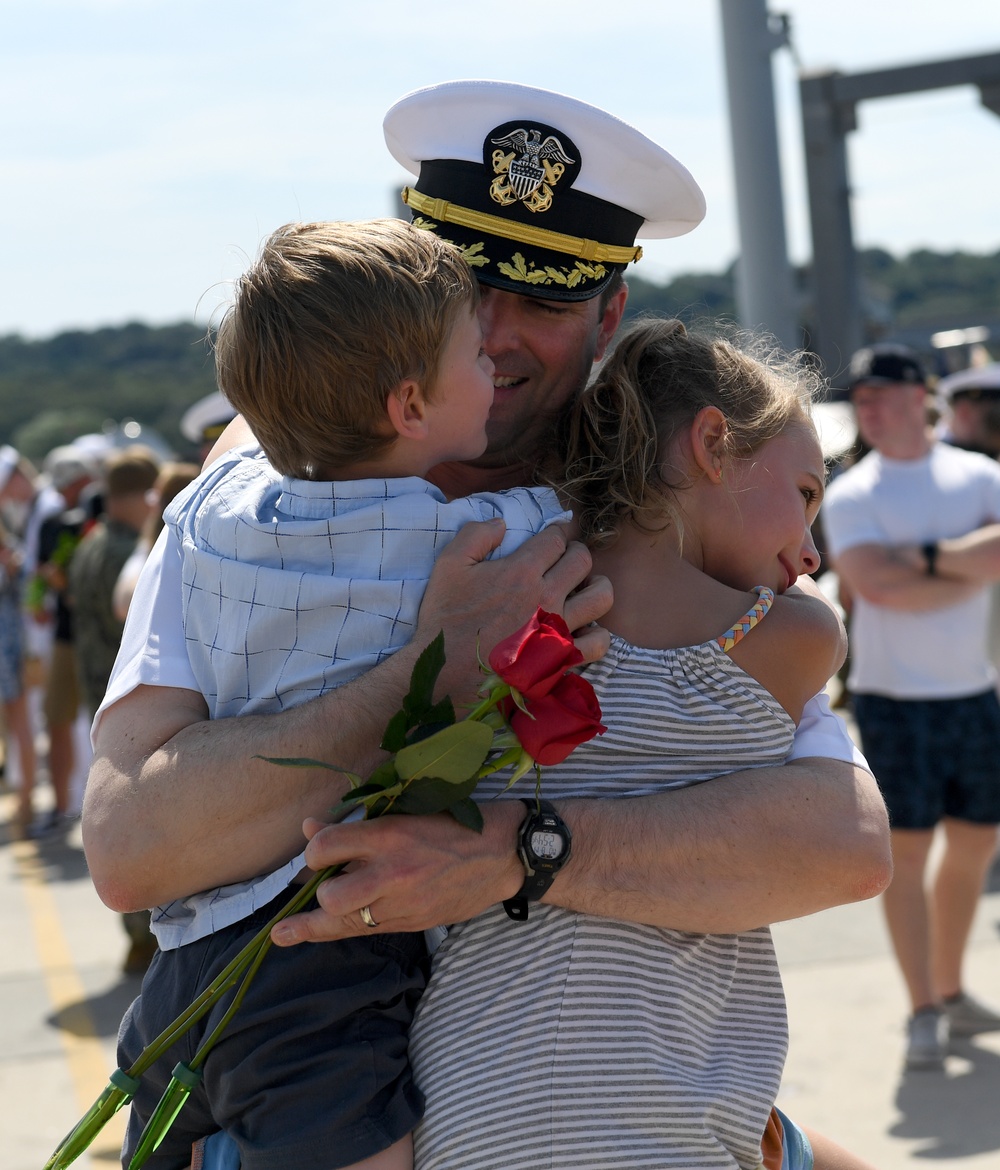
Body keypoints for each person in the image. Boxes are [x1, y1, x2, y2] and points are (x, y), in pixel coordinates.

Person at [84, 82, 889, 1169]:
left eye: (547, 302)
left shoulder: (648, 510)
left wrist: (525, 854)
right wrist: (433, 666)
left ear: (608, 316)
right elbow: (136, 849)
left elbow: (841, 842)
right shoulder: (267, 488)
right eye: (471, 290)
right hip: (286, 1108)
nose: (499, 338)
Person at [117, 217, 571, 1170]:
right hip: (322, 960)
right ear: (409, 404)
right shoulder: (477, 532)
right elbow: (591, 536)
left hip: (189, 959)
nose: (493, 355)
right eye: (471, 352)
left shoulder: (212, 507)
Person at [408, 316, 846, 1169]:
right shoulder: (789, 637)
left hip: (465, 1098)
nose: (813, 552)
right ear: (713, 443)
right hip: (656, 1104)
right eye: (804, 494)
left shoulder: (503, 607)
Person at [822, 342, 1000, 1071]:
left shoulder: (979, 474)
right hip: (893, 699)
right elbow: (874, 584)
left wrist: (916, 560)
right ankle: (922, 1005)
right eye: (860, 395)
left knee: (973, 847)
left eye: (884, 392)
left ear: (920, 396)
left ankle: (952, 990)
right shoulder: (851, 491)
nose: (869, 405)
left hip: (973, 690)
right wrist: (956, 560)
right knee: (908, 854)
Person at [69, 446, 161, 975]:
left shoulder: (90, 546)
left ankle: (133, 933)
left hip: (95, 697)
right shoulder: (128, 551)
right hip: (126, 704)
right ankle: (142, 934)